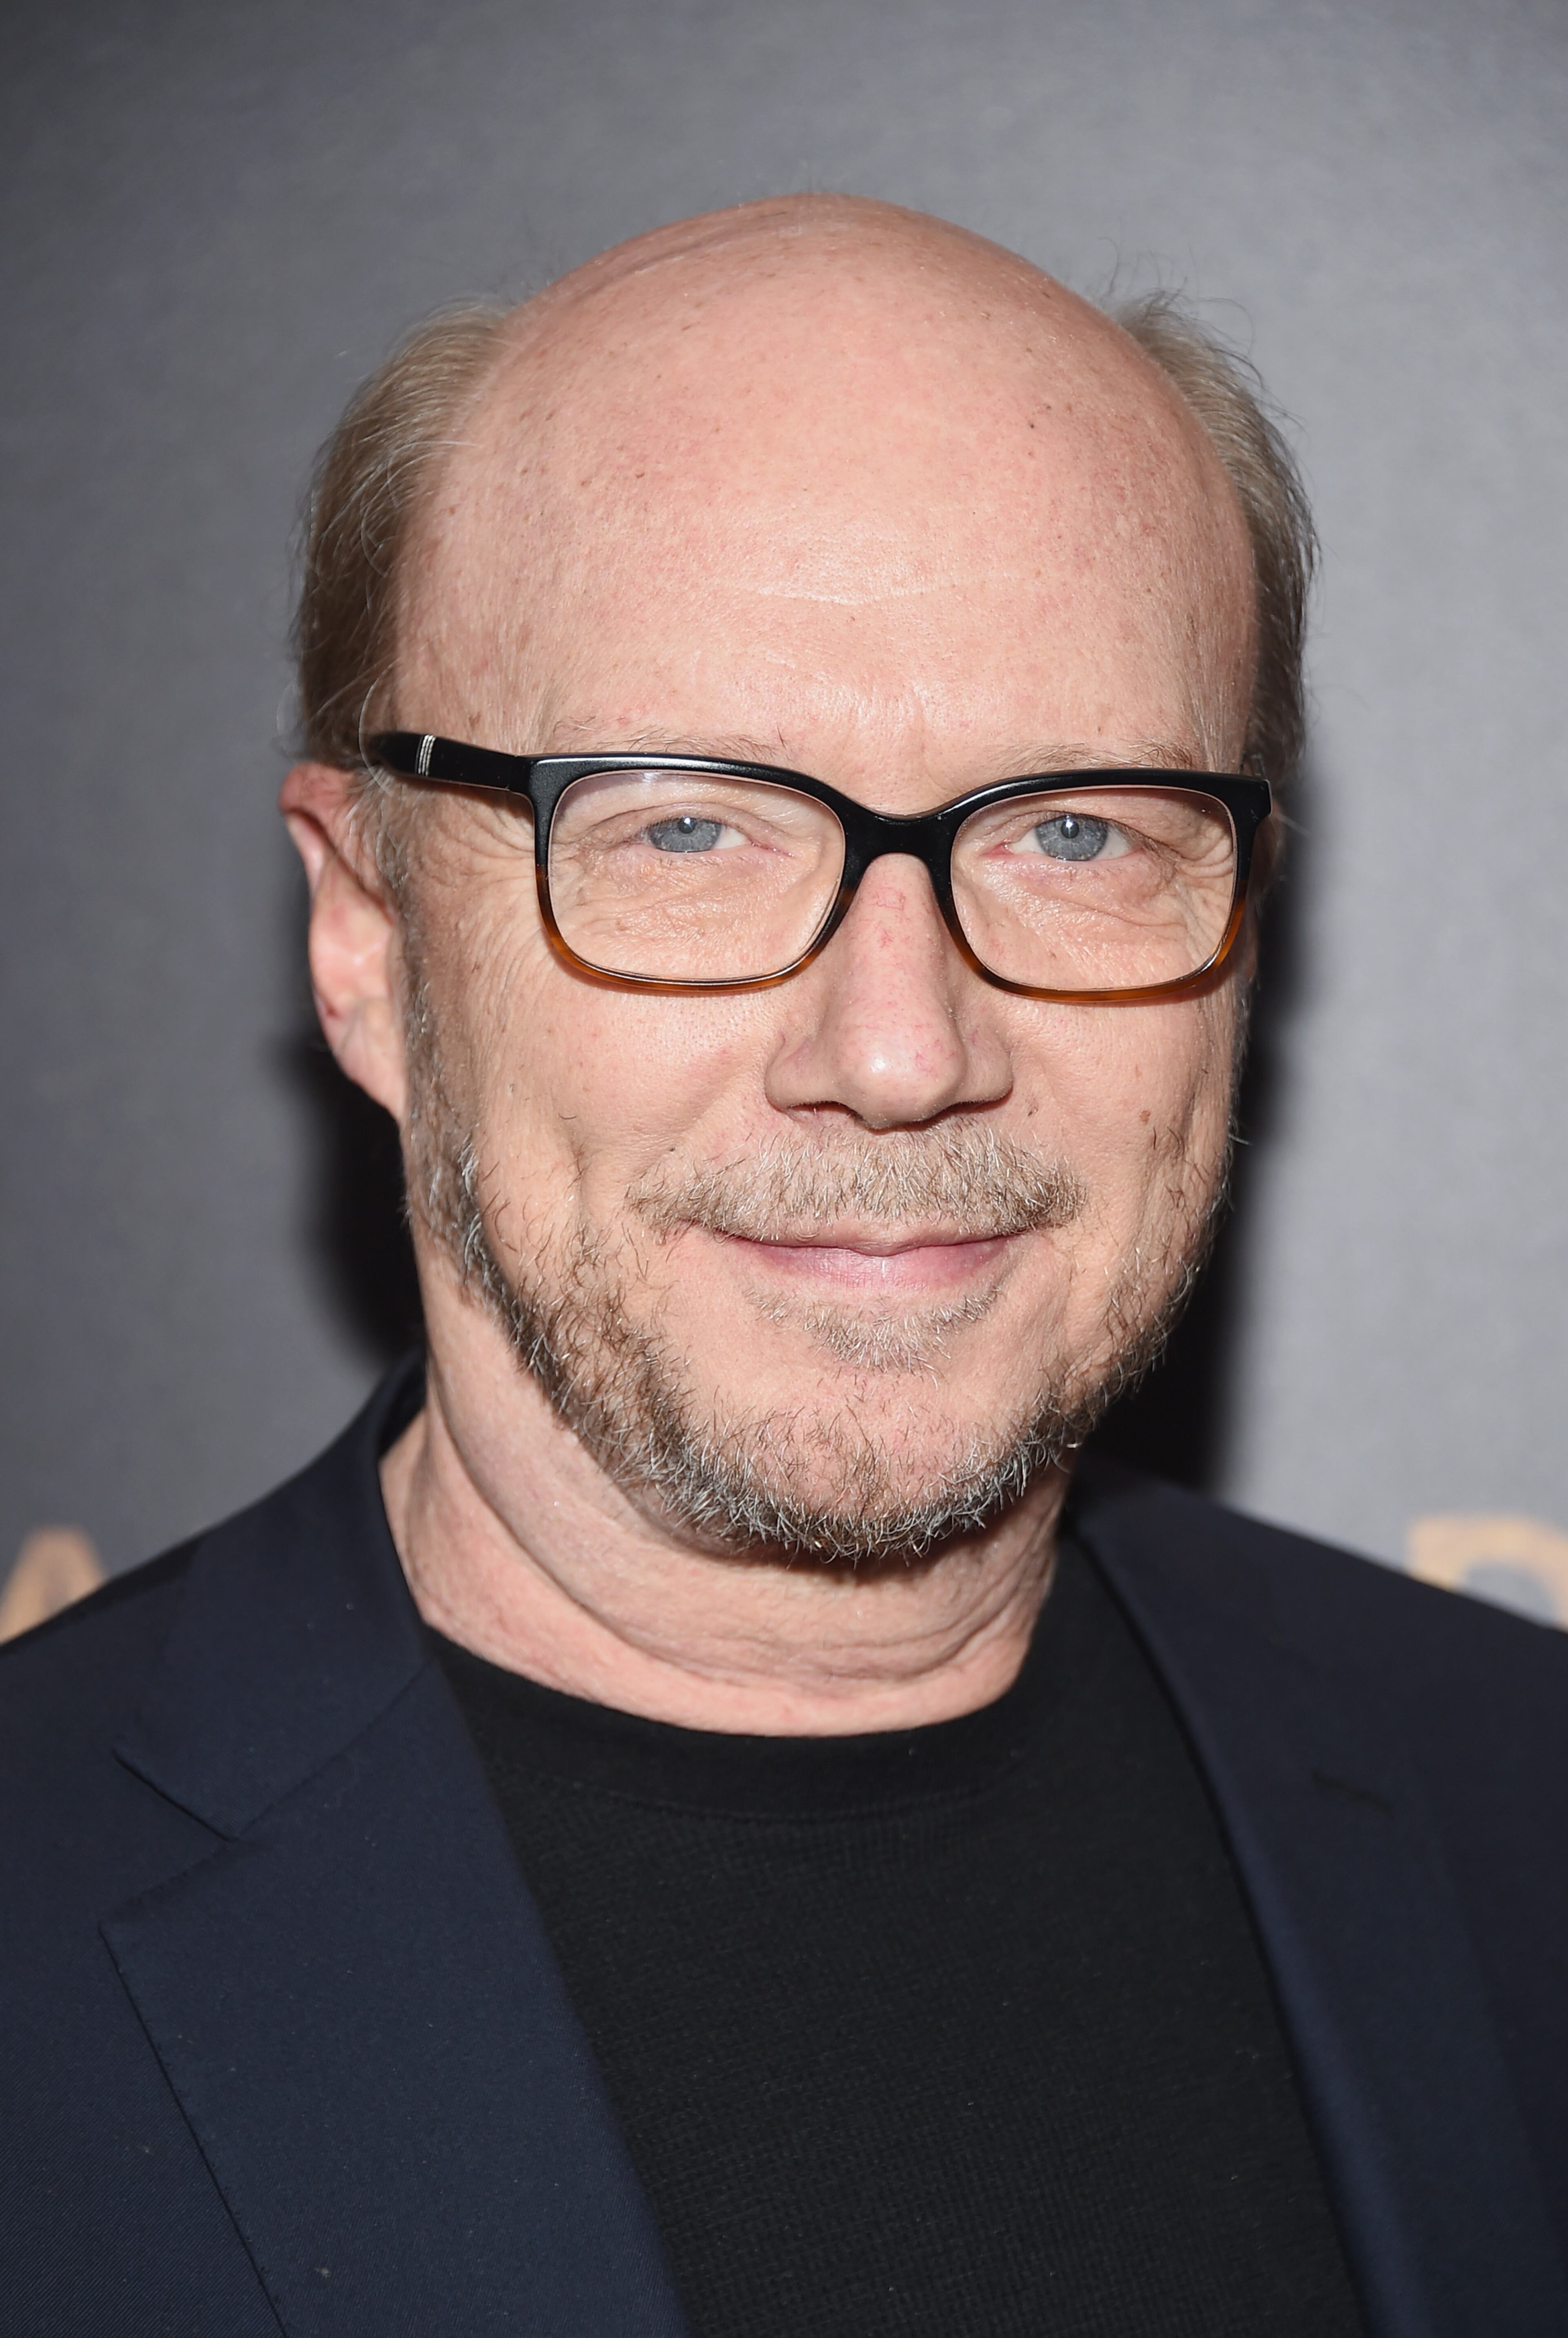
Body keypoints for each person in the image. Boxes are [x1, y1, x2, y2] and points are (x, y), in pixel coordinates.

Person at [3, 196, 1564, 2338]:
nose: (904, 1052)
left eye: (1079, 830)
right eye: (684, 827)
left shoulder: (1524, 1808)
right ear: (368, 939)